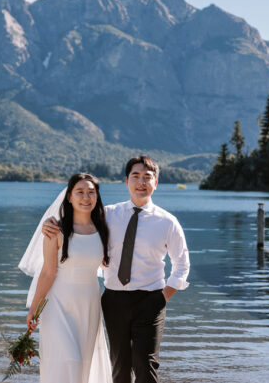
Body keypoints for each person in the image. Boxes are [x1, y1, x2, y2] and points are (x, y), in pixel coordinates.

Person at [42, 155, 190, 383]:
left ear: (156, 183)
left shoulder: (168, 222)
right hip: (113, 300)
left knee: (145, 364)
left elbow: (182, 265)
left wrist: (163, 297)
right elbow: (78, 220)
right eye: (136, 176)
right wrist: (51, 224)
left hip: (151, 300)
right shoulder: (107, 214)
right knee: (120, 366)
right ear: (126, 181)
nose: (141, 182)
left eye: (147, 177)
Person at [20, 173, 113, 383]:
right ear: (69, 197)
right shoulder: (56, 230)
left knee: (84, 366)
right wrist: (34, 308)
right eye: (80, 192)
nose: (86, 197)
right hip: (58, 305)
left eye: (91, 192)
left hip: (89, 304)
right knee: (69, 362)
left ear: (97, 196)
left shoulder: (103, 229)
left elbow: (104, 263)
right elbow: (47, 272)